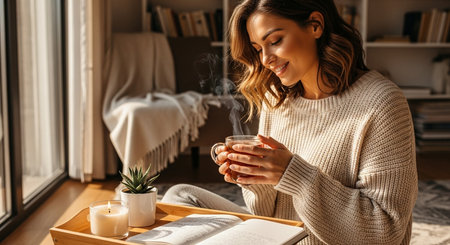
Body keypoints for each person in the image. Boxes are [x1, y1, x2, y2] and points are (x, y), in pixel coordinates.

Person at [161, 0, 418, 244]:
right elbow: (267, 213)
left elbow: (385, 232)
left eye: (275, 41)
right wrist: (254, 177)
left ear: (315, 25)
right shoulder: (277, 99)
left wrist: (293, 173)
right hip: (278, 235)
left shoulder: (381, 103)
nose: (265, 59)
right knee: (181, 197)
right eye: (258, 49)